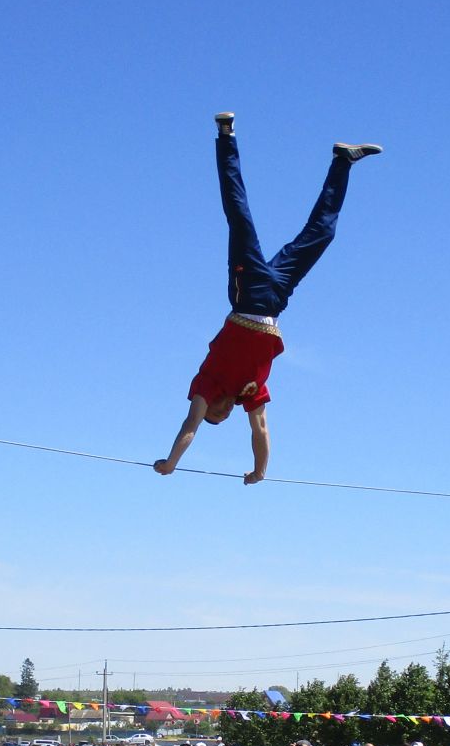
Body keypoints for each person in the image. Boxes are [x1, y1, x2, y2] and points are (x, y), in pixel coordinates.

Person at [153, 114, 382, 484]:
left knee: (239, 214)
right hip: (276, 300)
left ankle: (225, 135)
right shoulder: (250, 394)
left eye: (214, 414)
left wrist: (171, 462)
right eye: (221, 418)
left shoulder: (207, 384)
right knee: (322, 234)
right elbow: (260, 430)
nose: (220, 415)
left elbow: (189, 423)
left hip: (246, 297)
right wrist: (261, 470)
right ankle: (342, 161)